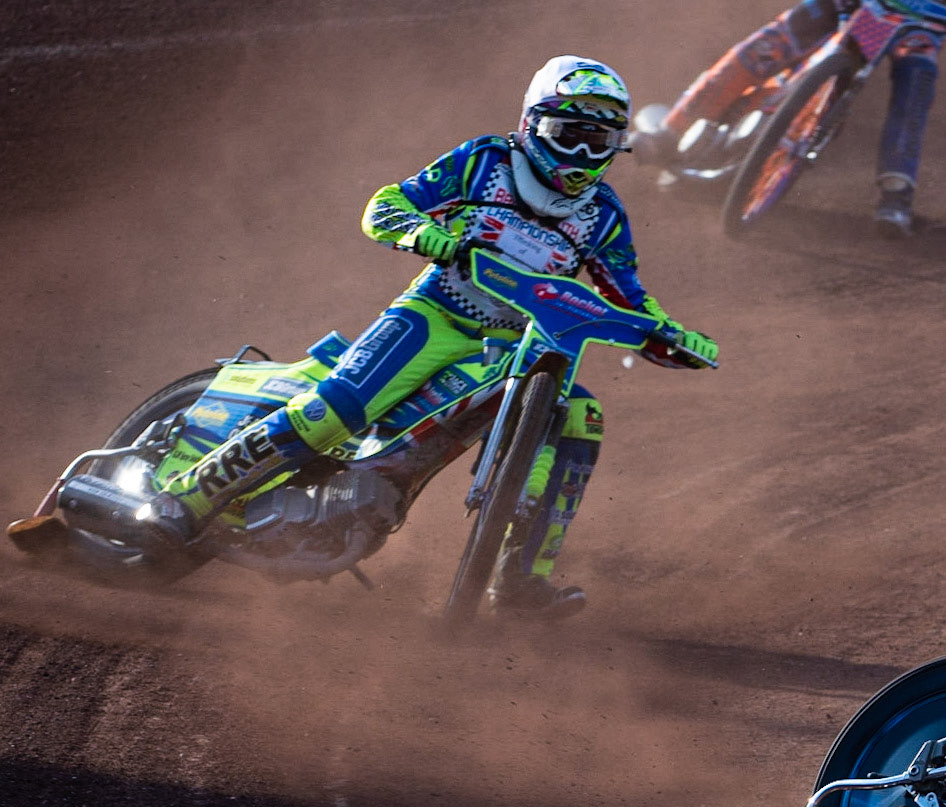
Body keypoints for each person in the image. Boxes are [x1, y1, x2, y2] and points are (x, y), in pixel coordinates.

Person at [142, 56, 718, 615]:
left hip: (516, 347)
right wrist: (424, 234)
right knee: (337, 409)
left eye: (598, 142)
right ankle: (187, 497)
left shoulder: (605, 215)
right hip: (434, 315)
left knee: (581, 418)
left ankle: (519, 578)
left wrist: (670, 335)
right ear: (532, 124)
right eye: (569, 135)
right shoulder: (485, 161)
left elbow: (628, 296)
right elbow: (385, 205)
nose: (582, 154)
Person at [634, 0, 946, 235]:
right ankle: (672, 129)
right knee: (769, 45)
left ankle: (896, 193)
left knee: (917, 77)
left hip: (922, 18)